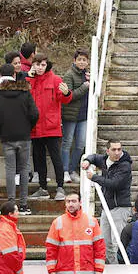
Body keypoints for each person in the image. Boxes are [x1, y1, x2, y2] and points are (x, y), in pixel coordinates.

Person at [0, 63, 39, 215]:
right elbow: (34, 114)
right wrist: (28, 128)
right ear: (14, 75)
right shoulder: (24, 92)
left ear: (0, 76)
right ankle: (23, 204)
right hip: (24, 136)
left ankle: (11, 204)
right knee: (23, 169)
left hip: (7, 137)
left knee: (10, 170)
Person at [27, 53, 72, 201]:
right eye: (37, 64)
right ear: (33, 65)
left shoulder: (55, 79)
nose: (40, 68)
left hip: (51, 126)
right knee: (38, 159)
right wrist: (29, 78)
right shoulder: (29, 80)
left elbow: (64, 98)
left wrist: (67, 93)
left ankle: (60, 187)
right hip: (35, 127)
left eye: (42, 65)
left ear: (47, 65)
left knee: (56, 158)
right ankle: (42, 188)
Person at [82, 139, 133, 264]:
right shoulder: (104, 160)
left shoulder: (125, 165)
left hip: (120, 207)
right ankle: (112, 267)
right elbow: (94, 157)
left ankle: (120, 269)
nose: (117, 152)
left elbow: (114, 184)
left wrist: (94, 177)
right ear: (108, 151)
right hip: (107, 208)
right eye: (114, 150)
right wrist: (87, 160)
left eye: (119, 149)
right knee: (105, 241)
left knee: (117, 242)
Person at [61, 49, 90, 184]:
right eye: (79, 59)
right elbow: (69, 96)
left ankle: (73, 170)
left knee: (80, 144)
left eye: (84, 60)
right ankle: (65, 171)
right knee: (67, 143)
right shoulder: (69, 75)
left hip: (84, 115)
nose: (82, 62)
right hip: (70, 115)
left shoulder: (88, 75)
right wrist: (85, 86)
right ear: (74, 61)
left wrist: (91, 83)